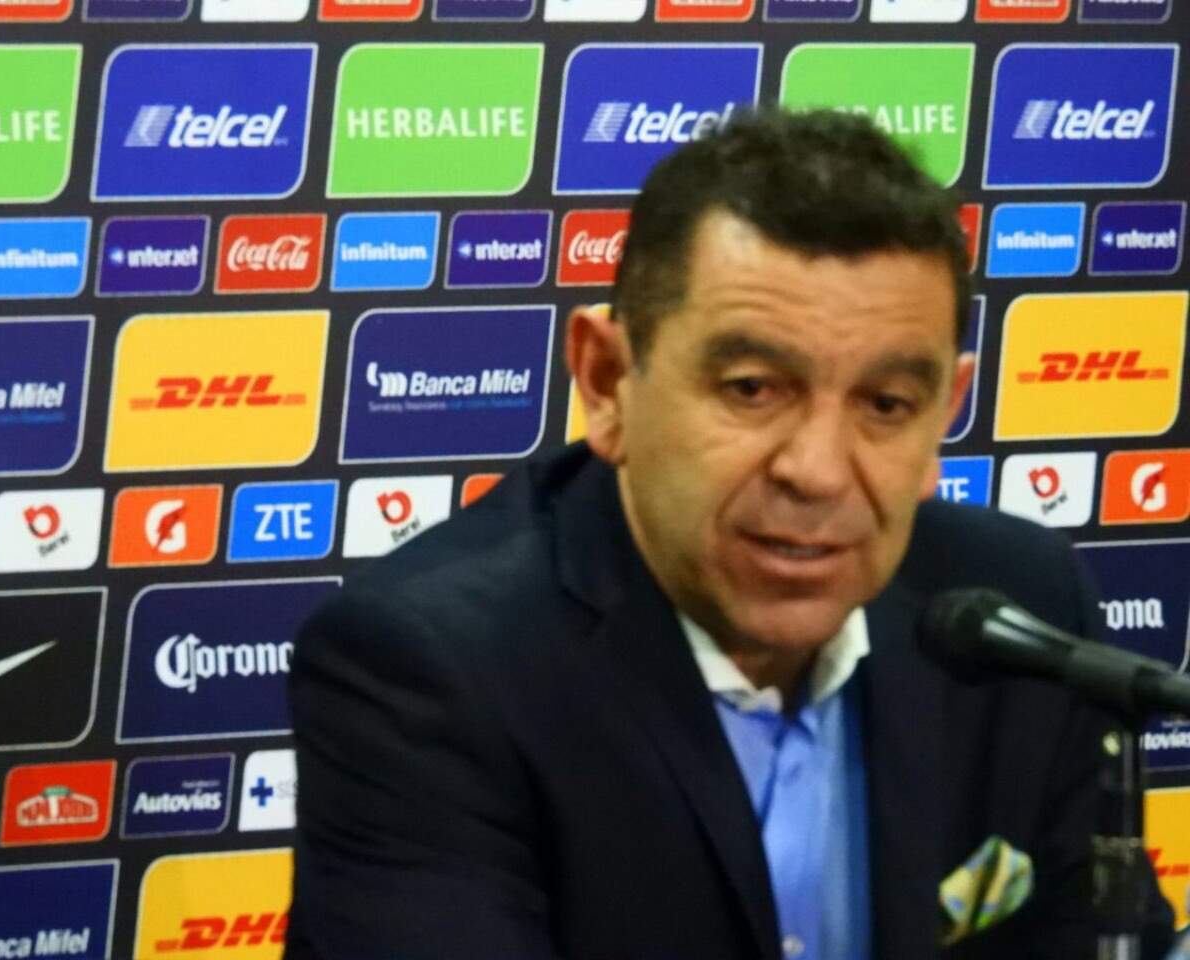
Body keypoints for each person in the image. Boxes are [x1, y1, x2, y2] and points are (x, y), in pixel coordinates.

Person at [287, 109, 1173, 960]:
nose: (818, 471)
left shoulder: (1021, 614)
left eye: (886, 404)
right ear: (607, 382)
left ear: (944, 411)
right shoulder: (434, 672)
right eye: (753, 388)